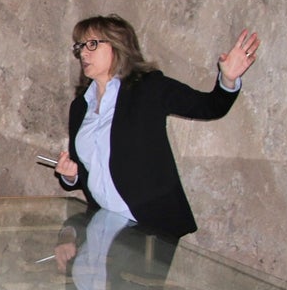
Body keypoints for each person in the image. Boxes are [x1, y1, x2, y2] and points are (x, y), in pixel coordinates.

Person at [53, 14, 260, 240]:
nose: (83, 53)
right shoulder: (80, 106)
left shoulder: (148, 88)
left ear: (118, 46)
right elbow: (86, 168)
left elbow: (209, 107)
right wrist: (70, 177)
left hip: (146, 227)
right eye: (80, 46)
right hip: (102, 223)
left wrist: (227, 79)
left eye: (92, 44)